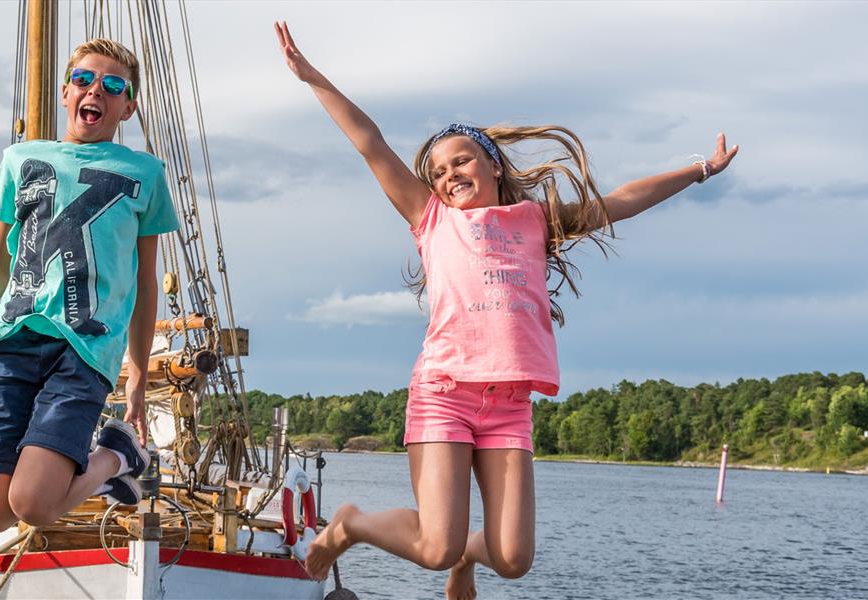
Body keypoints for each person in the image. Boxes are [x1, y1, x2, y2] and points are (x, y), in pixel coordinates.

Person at [272, 21, 739, 599]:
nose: (449, 176)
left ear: (493, 165)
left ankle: (466, 560)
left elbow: (621, 202)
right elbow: (371, 143)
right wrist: (315, 78)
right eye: (439, 172)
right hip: (446, 392)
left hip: (509, 403)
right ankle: (350, 523)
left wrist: (699, 172)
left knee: (514, 558)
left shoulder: (536, 223)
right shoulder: (430, 219)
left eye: (461, 162)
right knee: (434, 544)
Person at [0, 38, 176, 533]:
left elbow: (145, 284)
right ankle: (109, 462)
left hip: (84, 351)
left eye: (114, 85)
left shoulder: (145, 174)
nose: (97, 90)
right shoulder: (19, 160)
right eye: (85, 80)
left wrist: (136, 374)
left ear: (128, 106)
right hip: (9, 344)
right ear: (66, 93)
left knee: (33, 504)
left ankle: (114, 458)